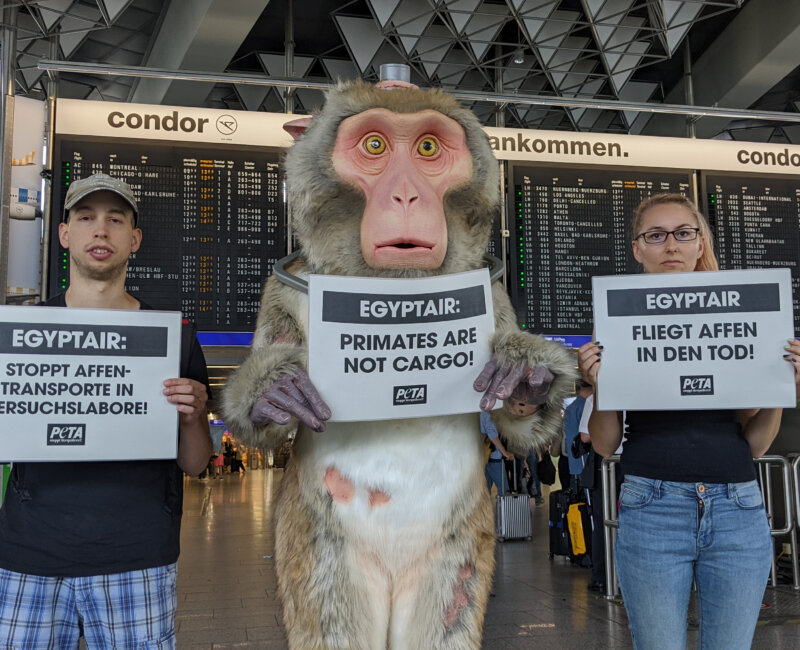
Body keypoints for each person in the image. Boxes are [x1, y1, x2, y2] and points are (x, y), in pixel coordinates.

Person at [578, 193, 800, 649]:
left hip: (738, 508)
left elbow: (755, 446)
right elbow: (604, 444)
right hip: (651, 507)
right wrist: (600, 384)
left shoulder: (743, 319)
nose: (671, 246)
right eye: (656, 236)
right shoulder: (618, 326)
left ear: (701, 244)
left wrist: (783, 387)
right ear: (638, 249)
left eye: (683, 234)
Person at [0, 173, 212, 649]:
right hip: (28, 556)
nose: (101, 231)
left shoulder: (172, 338)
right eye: (86, 218)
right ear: (64, 234)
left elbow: (195, 463)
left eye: (115, 220)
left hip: (136, 557)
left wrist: (194, 414)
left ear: (133, 239)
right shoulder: (18, 335)